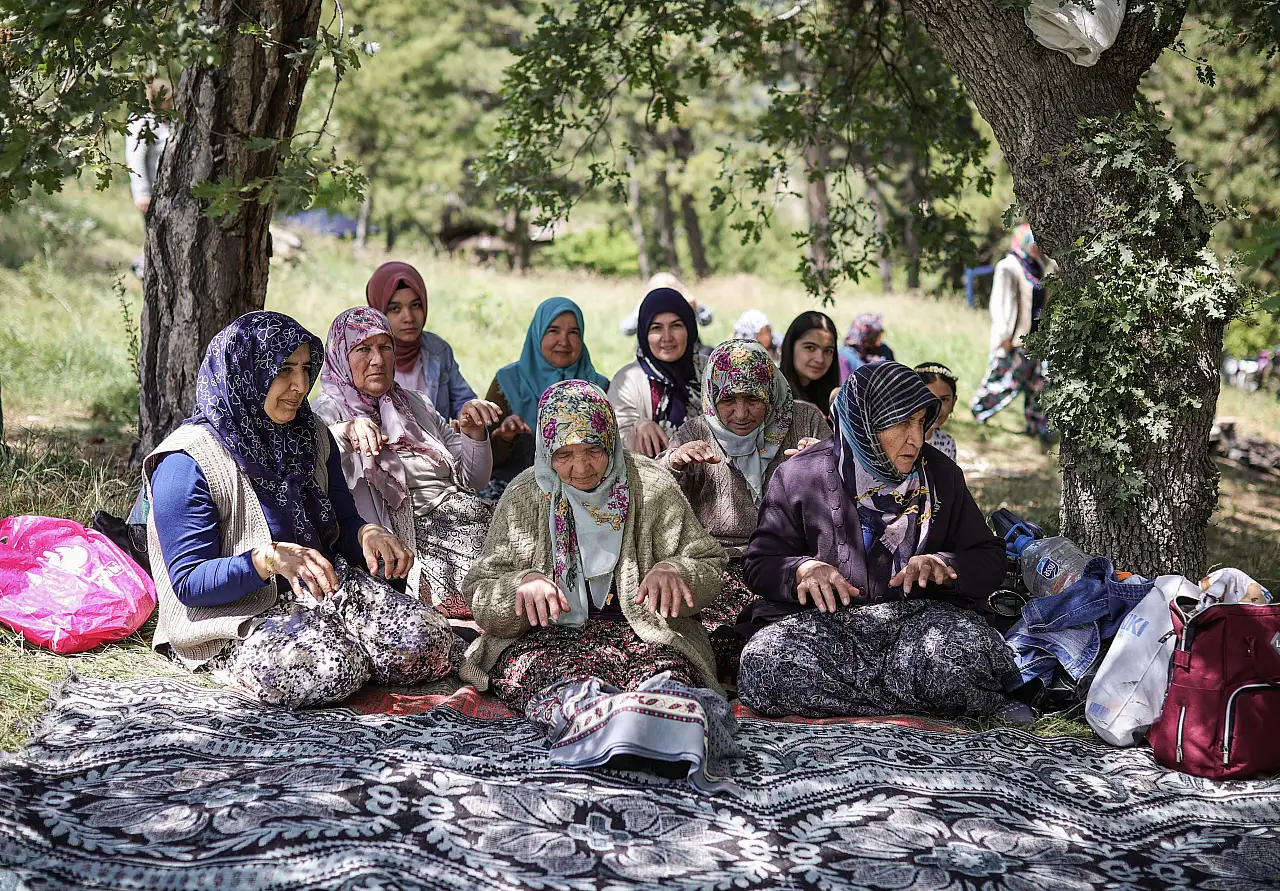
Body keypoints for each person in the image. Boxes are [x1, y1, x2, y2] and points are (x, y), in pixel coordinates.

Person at [144, 311, 458, 708]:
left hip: (321, 586)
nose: (300, 385)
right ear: (248, 371)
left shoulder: (308, 433)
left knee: (429, 643)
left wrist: (366, 533)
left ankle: (345, 643)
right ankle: (258, 659)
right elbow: (189, 583)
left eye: (307, 369)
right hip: (235, 612)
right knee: (329, 667)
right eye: (284, 370)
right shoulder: (187, 461)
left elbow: (342, 520)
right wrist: (267, 560)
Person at [461, 381, 731, 782]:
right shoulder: (525, 494)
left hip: (644, 633)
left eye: (593, 450)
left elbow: (707, 562)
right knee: (552, 679)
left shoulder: (651, 485)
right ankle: (606, 728)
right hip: (548, 638)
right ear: (547, 453)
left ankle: (655, 728)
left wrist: (677, 571)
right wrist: (520, 586)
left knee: (668, 678)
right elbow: (481, 587)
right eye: (565, 455)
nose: (582, 468)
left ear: (611, 441)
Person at [736, 361, 1011, 719]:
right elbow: (759, 562)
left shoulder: (941, 476)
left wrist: (945, 564)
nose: (915, 438)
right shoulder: (800, 475)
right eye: (900, 424)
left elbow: (989, 557)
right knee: (766, 662)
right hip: (826, 625)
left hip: (918, 626)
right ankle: (911, 701)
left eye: (920, 422)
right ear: (865, 425)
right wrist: (803, 570)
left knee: (964, 656)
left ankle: (862, 702)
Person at [661, 339, 832, 679]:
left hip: (789, 562)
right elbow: (655, 499)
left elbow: (845, 489)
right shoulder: (696, 430)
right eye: (728, 400)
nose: (741, 414)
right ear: (712, 396)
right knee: (701, 641)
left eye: (753, 399)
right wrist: (673, 464)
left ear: (770, 391)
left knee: (810, 633)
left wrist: (824, 461)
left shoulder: (806, 420)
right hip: (719, 566)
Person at [313, 307, 499, 618]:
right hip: (417, 537)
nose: (377, 360)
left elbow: (474, 481)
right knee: (497, 589)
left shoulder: (414, 404)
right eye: (363, 349)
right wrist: (346, 432)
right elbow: (316, 462)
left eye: (385, 347)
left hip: (468, 516)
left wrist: (473, 433)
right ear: (341, 355)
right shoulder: (328, 414)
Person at [481, 297, 610, 500]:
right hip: (512, 492)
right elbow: (483, 462)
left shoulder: (597, 387)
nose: (564, 341)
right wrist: (506, 437)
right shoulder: (507, 382)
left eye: (573, 332)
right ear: (537, 333)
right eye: (553, 331)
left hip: (582, 492)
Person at [970, 224, 1057, 440]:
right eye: (1033, 242)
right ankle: (979, 411)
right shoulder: (1008, 267)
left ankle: (1037, 426)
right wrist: (1004, 337)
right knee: (1005, 381)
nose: (1037, 247)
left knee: (1041, 382)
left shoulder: (1040, 266)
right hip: (1015, 339)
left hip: (1039, 337)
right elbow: (1000, 305)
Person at [364, 261, 477, 420]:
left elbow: (463, 401)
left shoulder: (438, 350)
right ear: (378, 311)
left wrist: (470, 416)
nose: (409, 318)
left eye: (416, 305)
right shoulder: (362, 357)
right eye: (395, 308)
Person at [608, 287, 705, 458]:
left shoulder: (711, 370)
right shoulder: (627, 380)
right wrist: (637, 427)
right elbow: (615, 437)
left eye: (676, 326)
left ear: (689, 328)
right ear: (644, 333)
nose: (667, 337)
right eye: (656, 328)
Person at [126, 80, 172, 278]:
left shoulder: (164, 121)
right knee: (156, 239)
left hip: (167, 194)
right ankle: (144, 271)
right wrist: (142, 193)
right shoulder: (141, 121)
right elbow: (135, 158)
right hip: (152, 194)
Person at [780, 311, 841, 412]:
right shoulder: (770, 392)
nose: (820, 359)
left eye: (828, 351)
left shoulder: (832, 399)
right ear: (790, 347)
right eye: (810, 348)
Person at [619, 272, 713, 338]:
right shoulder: (645, 307)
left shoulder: (683, 304)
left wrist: (696, 306)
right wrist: (641, 309)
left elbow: (707, 320)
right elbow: (627, 329)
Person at [916, 361, 958, 461]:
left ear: (953, 403)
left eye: (944, 399)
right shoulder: (897, 440)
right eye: (929, 398)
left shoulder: (947, 443)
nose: (937, 407)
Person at [838, 313, 895, 380]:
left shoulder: (884, 350)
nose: (879, 343)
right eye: (874, 337)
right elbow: (843, 387)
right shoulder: (845, 356)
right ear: (862, 337)